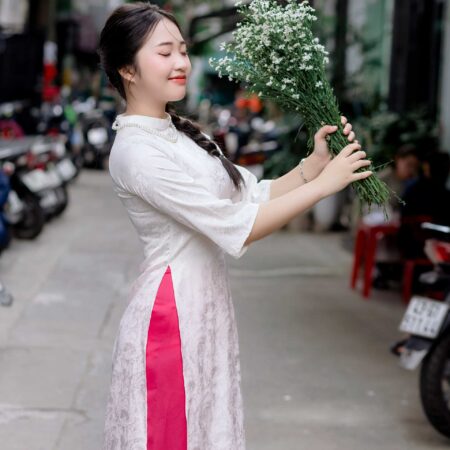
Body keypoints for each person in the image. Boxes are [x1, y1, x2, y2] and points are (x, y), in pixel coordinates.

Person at [97, 3, 371, 449]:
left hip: (202, 305)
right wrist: (326, 186)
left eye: (183, 51)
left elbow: (251, 195)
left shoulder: (176, 133)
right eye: (165, 53)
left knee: (206, 423)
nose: (181, 63)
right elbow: (238, 226)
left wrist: (314, 166)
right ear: (128, 69)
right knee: (173, 432)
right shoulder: (136, 151)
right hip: (172, 317)